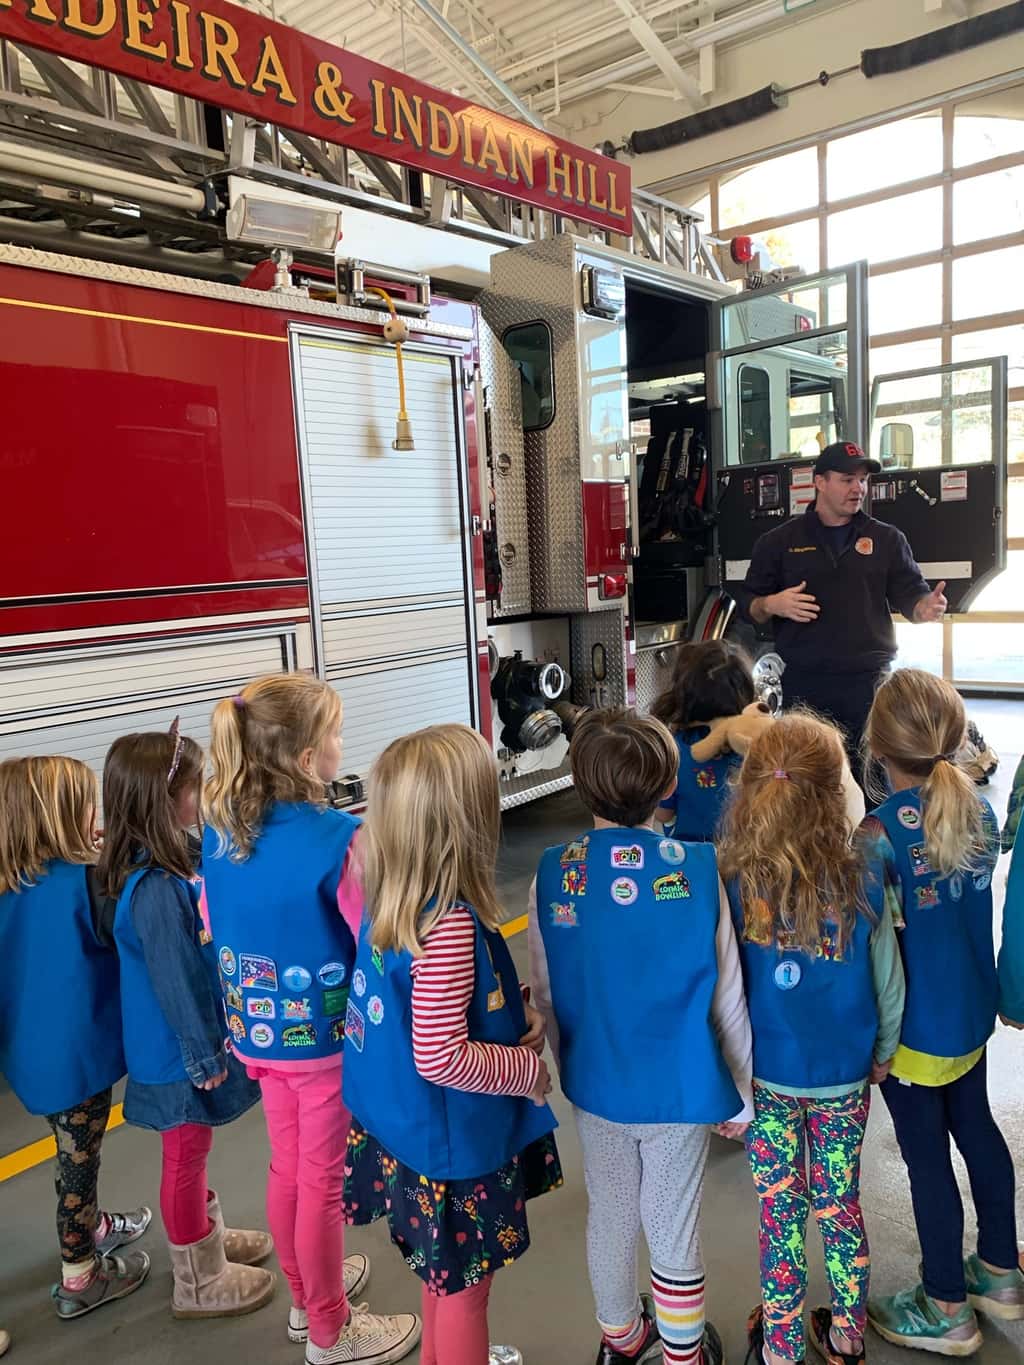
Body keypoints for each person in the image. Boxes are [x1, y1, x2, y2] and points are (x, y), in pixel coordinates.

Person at [530, 707, 753, 1365]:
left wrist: (566, 1061)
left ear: (580, 784)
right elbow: (728, 993)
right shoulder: (699, 867)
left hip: (595, 1083)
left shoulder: (552, 870)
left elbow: (544, 989)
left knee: (611, 1214)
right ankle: (684, 1353)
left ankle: (623, 1338)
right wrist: (740, 1093)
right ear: (667, 787)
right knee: (671, 1221)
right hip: (680, 1088)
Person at [202, 674, 412, 1365]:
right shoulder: (338, 838)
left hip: (255, 1034)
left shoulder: (220, 828)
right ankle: (330, 1328)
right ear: (304, 757)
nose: (341, 745)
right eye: (335, 736)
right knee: (321, 1181)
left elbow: (211, 919)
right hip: (322, 1046)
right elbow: (371, 939)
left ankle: (303, 1294)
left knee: (287, 1164)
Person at [342, 724, 560, 1365]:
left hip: (403, 1131)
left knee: (442, 1280)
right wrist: (525, 1070)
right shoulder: (448, 926)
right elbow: (440, 1054)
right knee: (467, 1293)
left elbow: (429, 1007)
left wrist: (504, 1004)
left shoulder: (391, 897)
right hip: (453, 1143)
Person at [717, 713, 905, 1365]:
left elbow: (724, 989)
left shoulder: (734, 875)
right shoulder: (870, 866)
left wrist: (725, 1081)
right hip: (845, 1077)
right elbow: (888, 979)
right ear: (836, 789)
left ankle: (781, 1342)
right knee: (838, 1201)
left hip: (767, 1077)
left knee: (781, 1214)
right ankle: (848, 1333)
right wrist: (883, 1052)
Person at [861, 670, 1024, 1354]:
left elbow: (871, 951)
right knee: (978, 1129)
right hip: (970, 1013)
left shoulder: (875, 835)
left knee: (926, 1159)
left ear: (876, 746)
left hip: (913, 1032)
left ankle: (947, 1306)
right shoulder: (977, 807)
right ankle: (999, 1271)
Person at [98, 728, 275, 1320]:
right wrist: (204, 1055)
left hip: (181, 1046)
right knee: (184, 1155)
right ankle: (197, 1280)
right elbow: (175, 980)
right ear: (162, 798)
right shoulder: (153, 889)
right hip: (177, 1052)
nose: (204, 795)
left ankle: (203, 1236)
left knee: (191, 1151)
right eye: (196, 786)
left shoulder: (171, 863)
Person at [0, 756, 152, 1319]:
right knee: (77, 1168)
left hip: (28, 1060)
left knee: (74, 1156)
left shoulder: (8, 886)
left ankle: (97, 1224)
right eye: (89, 802)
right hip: (77, 1062)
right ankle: (80, 1276)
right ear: (63, 816)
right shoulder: (83, 882)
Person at [738, 442, 947, 787]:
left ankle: (871, 841)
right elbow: (749, 603)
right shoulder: (778, 542)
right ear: (819, 482)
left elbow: (910, 590)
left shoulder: (886, 539)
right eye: (847, 479)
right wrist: (772, 604)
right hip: (806, 685)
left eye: (862, 480)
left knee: (872, 781)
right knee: (807, 782)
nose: (858, 489)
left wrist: (923, 606)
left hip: (869, 685)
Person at [649, 639, 756, 840]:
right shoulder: (752, 747)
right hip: (741, 857)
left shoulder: (676, 748)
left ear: (684, 694)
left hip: (688, 861)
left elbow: (663, 814)